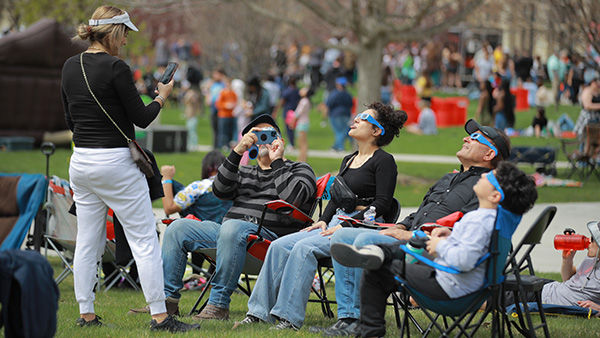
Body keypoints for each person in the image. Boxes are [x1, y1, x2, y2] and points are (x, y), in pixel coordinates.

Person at [61, 5, 198, 332]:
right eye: (124, 34)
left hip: (81, 162)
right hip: (114, 163)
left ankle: (87, 314)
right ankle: (160, 318)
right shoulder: (116, 67)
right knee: (145, 241)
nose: (125, 41)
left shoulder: (69, 66)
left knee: (87, 241)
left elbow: (69, 118)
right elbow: (142, 118)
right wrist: (163, 97)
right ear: (113, 32)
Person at [318, 119, 511, 336]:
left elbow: (466, 231)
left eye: (475, 138)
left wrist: (410, 233)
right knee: (343, 235)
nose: (466, 138)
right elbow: (420, 212)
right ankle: (347, 317)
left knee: (366, 241)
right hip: (406, 236)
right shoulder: (448, 178)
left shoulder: (486, 190)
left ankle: (357, 319)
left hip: (429, 248)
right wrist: (399, 225)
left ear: (489, 155)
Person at [234, 102, 407, 331]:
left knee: (304, 249)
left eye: (363, 118)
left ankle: (288, 318)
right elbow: (337, 197)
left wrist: (350, 223)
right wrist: (323, 220)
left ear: (376, 131)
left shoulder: (384, 161)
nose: (355, 120)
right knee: (279, 245)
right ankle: (257, 313)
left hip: (359, 227)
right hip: (335, 223)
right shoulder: (349, 159)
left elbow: (383, 204)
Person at [331, 161, 538, 338]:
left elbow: (464, 260)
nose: (483, 175)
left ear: (494, 196)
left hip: (452, 291)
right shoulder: (495, 220)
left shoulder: (480, 221)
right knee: (416, 244)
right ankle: (378, 253)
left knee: (377, 272)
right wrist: (450, 237)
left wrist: (442, 246)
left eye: (489, 178)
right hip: (470, 288)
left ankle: (371, 331)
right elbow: (474, 250)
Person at [160, 114, 317, 320]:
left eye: (268, 134)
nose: (263, 139)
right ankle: (166, 303)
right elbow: (219, 190)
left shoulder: (299, 169)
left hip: (267, 243)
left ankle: (218, 305)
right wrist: (237, 152)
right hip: (228, 236)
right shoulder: (243, 171)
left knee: (233, 227)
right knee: (177, 227)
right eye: (256, 135)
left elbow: (294, 199)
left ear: (281, 141)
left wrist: (277, 162)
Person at [505, 220, 600, 311]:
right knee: (508, 281)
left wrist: (598, 308)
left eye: (593, 239)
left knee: (498, 292)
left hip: (545, 300)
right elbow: (570, 279)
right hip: (551, 287)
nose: (589, 241)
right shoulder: (594, 258)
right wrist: (567, 260)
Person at [160, 149, 232, 223]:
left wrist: (166, 178)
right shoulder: (235, 186)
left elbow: (169, 208)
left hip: (204, 231)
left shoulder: (199, 187)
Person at [325, 77, 354, 152]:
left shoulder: (335, 94)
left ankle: (339, 147)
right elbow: (351, 104)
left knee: (339, 131)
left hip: (335, 114)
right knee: (343, 130)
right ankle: (337, 146)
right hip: (346, 114)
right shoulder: (348, 94)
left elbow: (329, 104)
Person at [273, 76, 301, 148]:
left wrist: (276, 111)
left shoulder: (287, 91)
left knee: (289, 128)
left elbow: (282, 101)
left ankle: (291, 143)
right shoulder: (298, 91)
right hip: (295, 111)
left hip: (288, 112)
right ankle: (293, 142)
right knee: (294, 128)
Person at [290, 86, 314, 162]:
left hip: (302, 123)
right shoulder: (306, 101)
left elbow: (297, 113)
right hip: (304, 122)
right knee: (302, 142)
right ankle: (302, 158)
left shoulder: (304, 101)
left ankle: (302, 159)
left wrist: (292, 122)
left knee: (302, 143)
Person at [215, 75, 238, 150]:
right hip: (223, 115)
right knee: (223, 131)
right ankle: (223, 144)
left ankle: (228, 144)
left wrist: (232, 105)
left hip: (231, 115)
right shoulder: (222, 93)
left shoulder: (233, 93)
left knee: (230, 131)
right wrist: (226, 106)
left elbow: (235, 102)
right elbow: (218, 104)